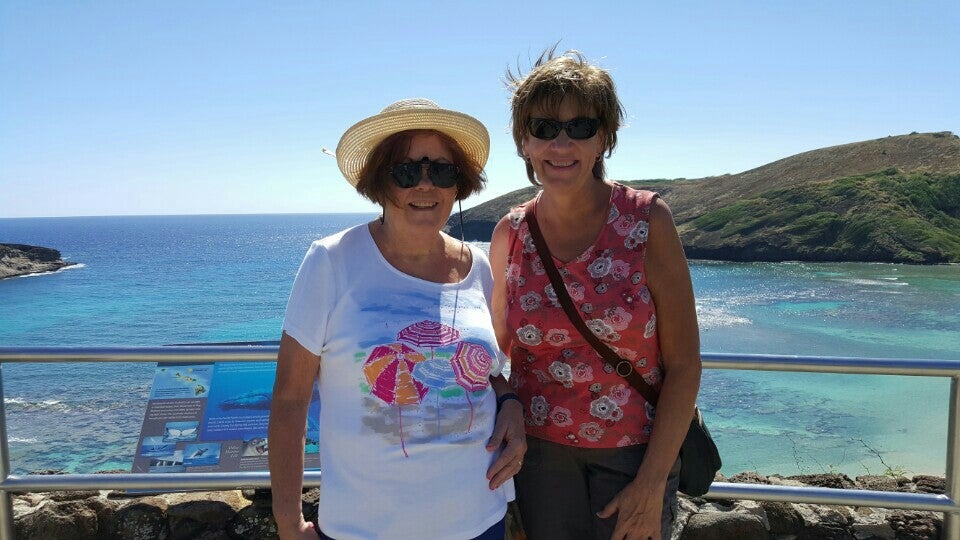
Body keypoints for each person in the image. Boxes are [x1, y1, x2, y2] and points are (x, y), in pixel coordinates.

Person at [269, 98, 526, 540]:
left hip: (478, 518)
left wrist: (510, 403)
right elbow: (291, 400)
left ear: (459, 183)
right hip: (363, 528)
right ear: (378, 182)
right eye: (406, 171)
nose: (425, 186)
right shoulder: (332, 262)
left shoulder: (477, 266)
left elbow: (485, 370)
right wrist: (288, 522)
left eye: (442, 171)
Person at [489, 49, 702, 540]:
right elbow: (494, 352)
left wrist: (651, 485)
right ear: (523, 140)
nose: (560, 143)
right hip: (538, 462)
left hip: (633, 459)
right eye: (543, 127)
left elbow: (686, 365)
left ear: (604, 137)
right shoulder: (511, 233)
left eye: (581, 126)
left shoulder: (647, 221)